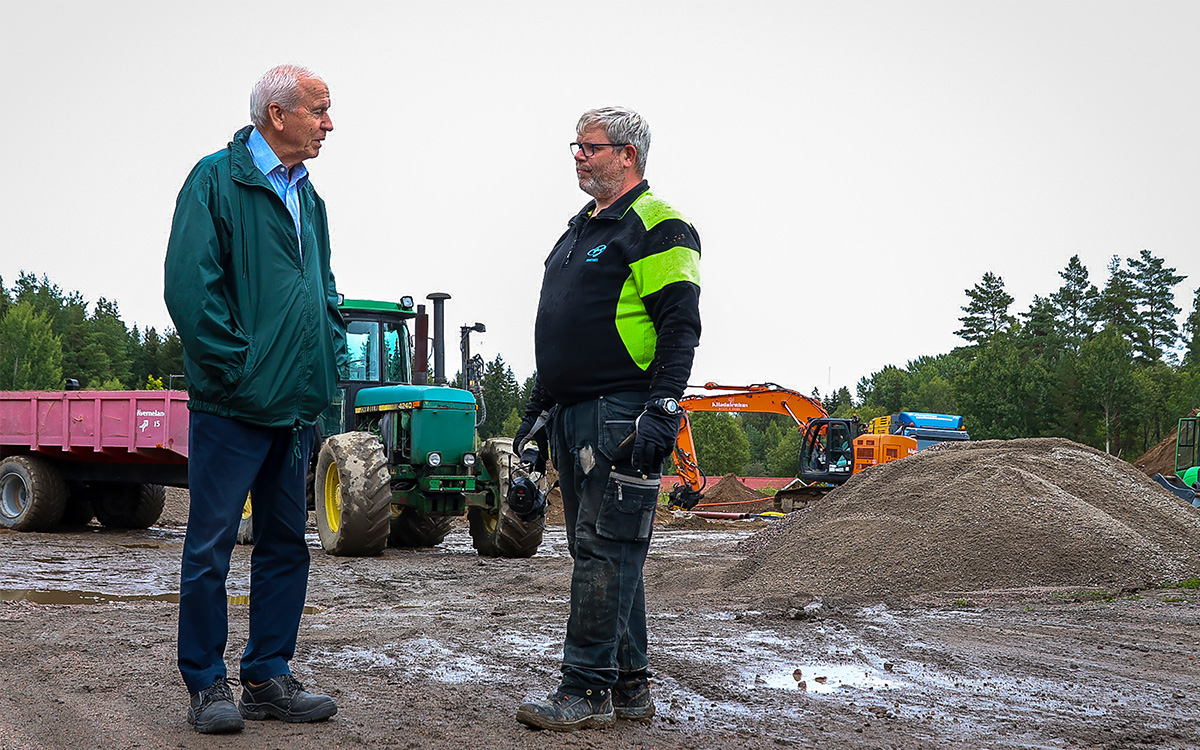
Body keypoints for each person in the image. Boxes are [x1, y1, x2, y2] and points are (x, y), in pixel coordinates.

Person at [163, 64, 347, 735]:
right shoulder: (216, 179)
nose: (329, 123)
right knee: (210, 545)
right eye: (319, 110)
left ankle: (268, 674)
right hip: (234, 405)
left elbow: (321, 287)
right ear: (278, 113)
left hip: (296, 404)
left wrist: (324, 345)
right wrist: (237, 371)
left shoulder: (310, 197)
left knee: (284, 545)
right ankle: (207, 684)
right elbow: (190, 289)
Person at [514, 107, 702, 731]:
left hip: (621, 412)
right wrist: (539, 410)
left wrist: (664, 410)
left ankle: (585, 690)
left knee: (603, 549)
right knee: (603, 552)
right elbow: (561, 332)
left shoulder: (659, 226)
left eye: (589, 147)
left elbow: (680, 328)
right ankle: (629, 686)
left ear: (628, 154)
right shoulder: (577, 231)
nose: (577, 156)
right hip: (572, 412)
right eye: (576, 146)